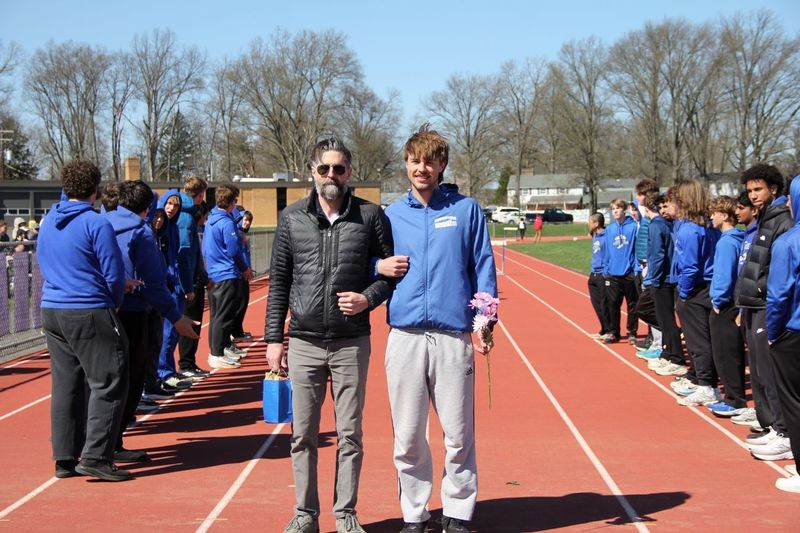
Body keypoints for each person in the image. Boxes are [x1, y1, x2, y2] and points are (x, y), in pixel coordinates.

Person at [264, 138, 393, 533]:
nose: (331, 175)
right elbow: (279, 281)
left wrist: (367, 299)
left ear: (349, 172)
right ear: (312, 172)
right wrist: (274, 339)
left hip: (351, 341)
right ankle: (305, 513)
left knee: (350, 434)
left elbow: (388, 274)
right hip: (303, 341)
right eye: (324, 169)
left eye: (339, 168)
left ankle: (345, 513)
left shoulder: (371, 216)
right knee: (302, 434)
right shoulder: (292, 218)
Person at [377, 125, 498, 533]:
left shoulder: (466, 211)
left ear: (442, 164)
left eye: (430, 161)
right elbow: (369, 264)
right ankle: (414, 513)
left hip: (452, 336)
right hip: (405, 337)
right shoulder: (391, 215)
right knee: (408, 435)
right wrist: (378, 266)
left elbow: (483, 266)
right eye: (415, 161)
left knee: (458, 434)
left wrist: (486, 320)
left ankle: (458, 511)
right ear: (406, 164)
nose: (422, 168)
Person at [37, 160, 130, 481]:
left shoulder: (49, 220)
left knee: (66, 383)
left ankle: (64, 456)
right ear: (95, 189)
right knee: (109, 378)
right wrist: (115, 302)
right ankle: (96, 455)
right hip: (87, 307)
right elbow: (113, 272)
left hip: (53, 308)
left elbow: (42, 259)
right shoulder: (96, 223)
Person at [104, 180, 198, 462]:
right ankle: (110, 444)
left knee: (102, 378)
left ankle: (86, 445)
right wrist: (175, 316)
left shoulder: (100, 224)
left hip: (101, 309)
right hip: (133, 309)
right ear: (148, 207)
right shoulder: (141, 232)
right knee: (131, 378)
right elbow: (154, 281)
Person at [736, 164, 794, 461]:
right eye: (749, 191)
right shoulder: (764, 218)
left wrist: (764, 297)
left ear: (774, 189)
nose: (753, 195)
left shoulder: (782, 220)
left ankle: (785, 432)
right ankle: (774, 426)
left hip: (766, 304)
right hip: (753, 304)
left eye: (758, 189)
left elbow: (776, 269)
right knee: (759, 370)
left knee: (770, 373)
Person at [766, 176, 800, 492]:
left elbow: (778, 295)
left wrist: (773, 333)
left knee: (794, 403)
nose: (787, 203)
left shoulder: (788, 243)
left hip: (794, 332)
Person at [672, 179, 719, 407]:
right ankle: (707, 382)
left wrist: (684, 293)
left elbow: (690, 266)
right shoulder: (709, 227)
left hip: (696, 290)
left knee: (698, 341)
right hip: (708, 287)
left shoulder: (689, 230)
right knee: (706, 339)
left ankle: (706, 386)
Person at [705, 196, 747, 418]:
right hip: (734, 302)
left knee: (725, 353)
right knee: (731, 351)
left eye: (714, 213)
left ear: (724, 215)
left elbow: (724, 274)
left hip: (726, 304)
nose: (711, 217)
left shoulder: (726, 242)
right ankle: (734, 396)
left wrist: (717, 300)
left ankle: (734, 399)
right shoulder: (739, 239)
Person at [204, 184, 251, 370]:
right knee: (223, 316)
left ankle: (221, 349)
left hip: (214, 272)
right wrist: (244, 268)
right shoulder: (226, 222)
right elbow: (233, 250)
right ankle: (216, 353)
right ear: (232, 202)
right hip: (225, 273)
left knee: (217, 315)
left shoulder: (210, 220)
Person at [175, 176, 212, 378]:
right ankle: (186, 364)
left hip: (190, 278)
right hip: (187, 282)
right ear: (199, 195)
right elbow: (184, 253)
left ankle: (187, 363)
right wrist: (188, 286)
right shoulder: (186, 218)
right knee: (189, 323)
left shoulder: (185, 215)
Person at [602, 198, 639, 344]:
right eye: (613, 209)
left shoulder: (633, 227)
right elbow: (607, 251)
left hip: (629, 273)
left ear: (624, 210)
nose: (615, 211)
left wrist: (635, 269)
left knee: (632, 305)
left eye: (618, 208)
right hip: (612, 274)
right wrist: (606, 269)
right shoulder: (609, 229)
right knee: (613, 304)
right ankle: (613, 332)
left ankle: (632, 332)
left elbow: (637, 249)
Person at [587, 213, 612, 340]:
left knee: (604, 304)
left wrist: (606, 272)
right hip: (593, 274)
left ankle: (609, 330)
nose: (588, 224)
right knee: (596, 304)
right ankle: (603, 329)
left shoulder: (607, 236)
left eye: (590, 222)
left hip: (603, 274)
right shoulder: (594, 234)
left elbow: (609, 255)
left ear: (596, 224)